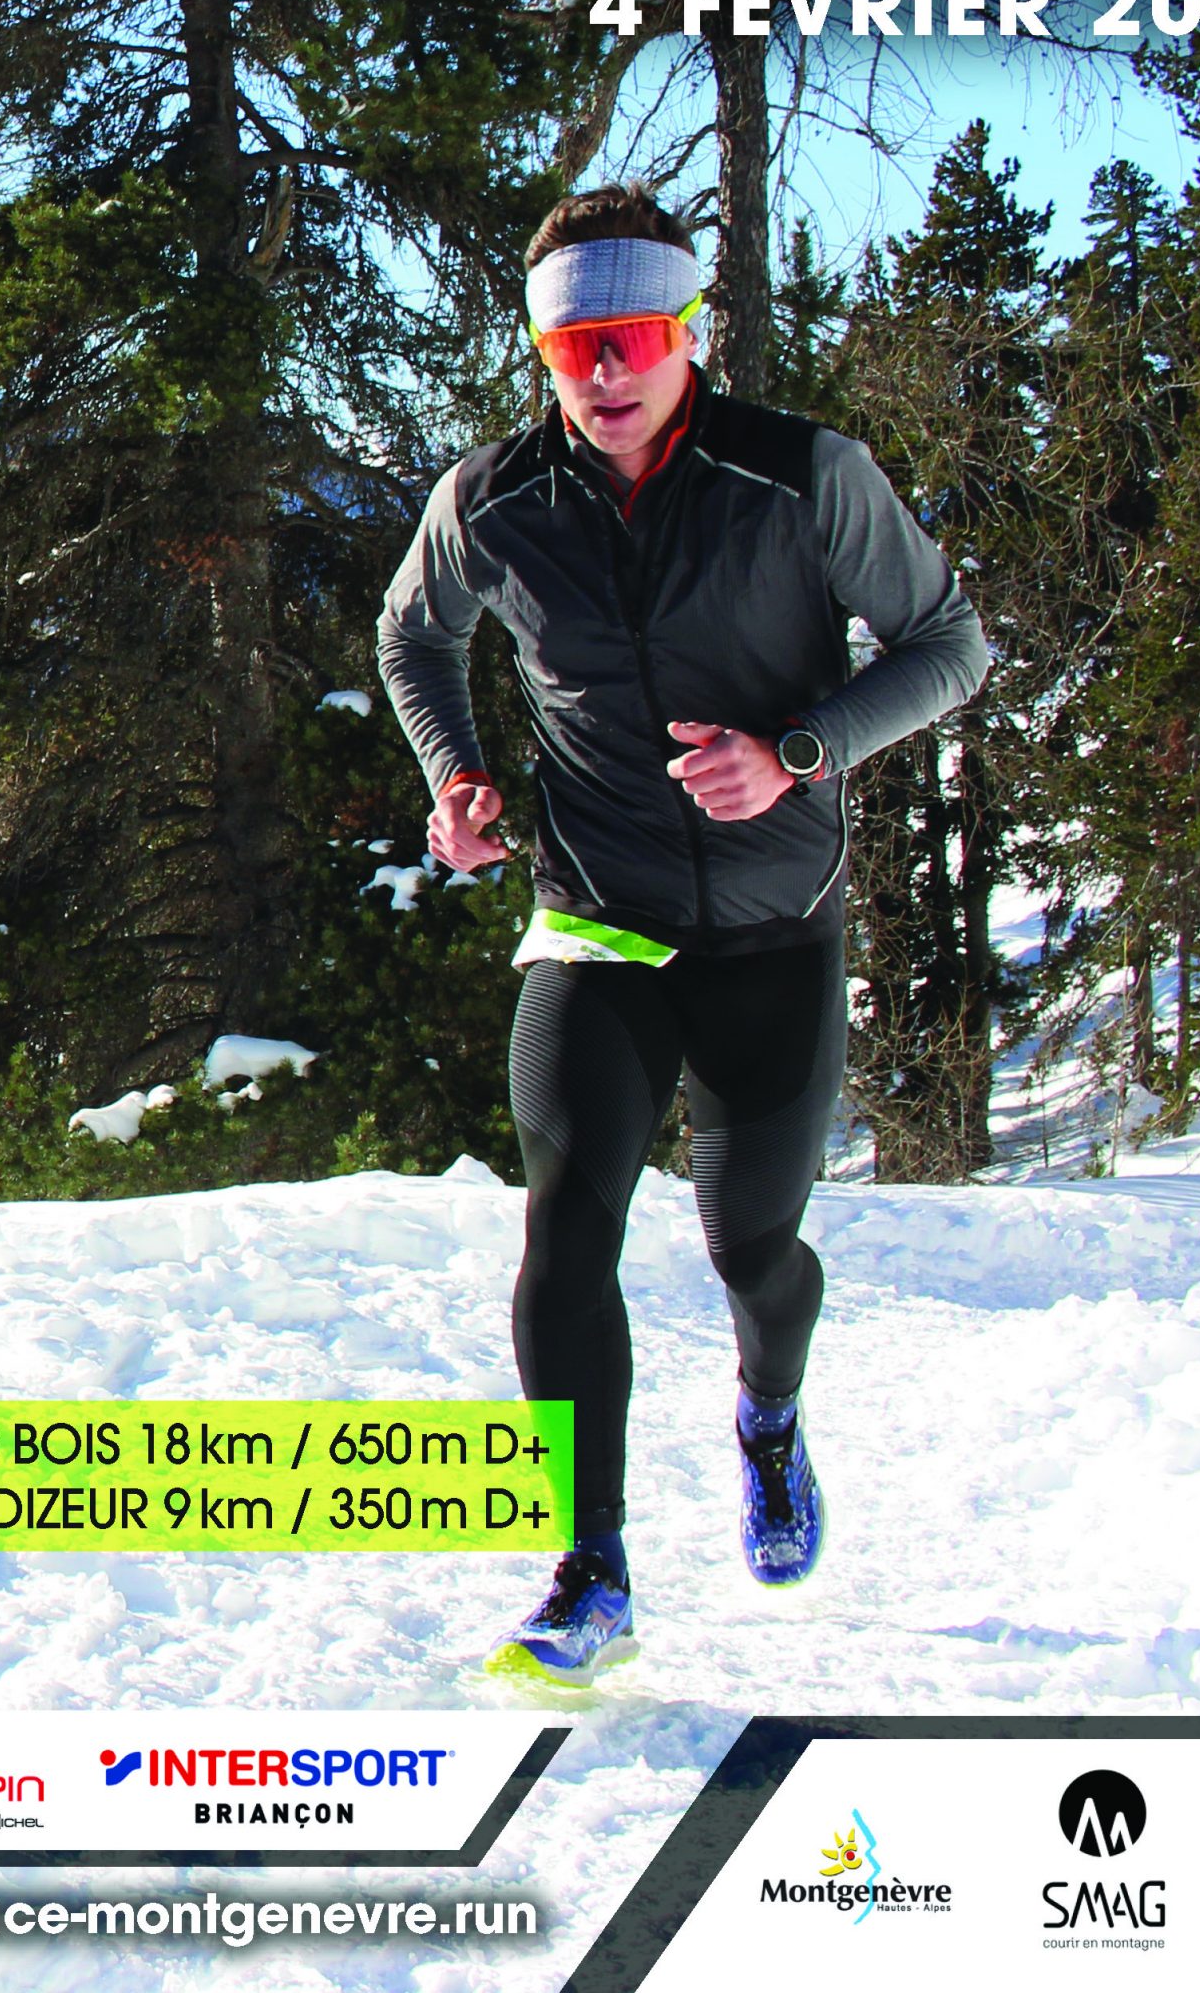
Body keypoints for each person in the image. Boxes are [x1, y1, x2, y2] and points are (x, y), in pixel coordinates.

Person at [376, 185, 988, 1683]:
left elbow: (948, 646)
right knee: (563, 1233)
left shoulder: (805, 477)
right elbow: (413, 634)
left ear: (688, 333)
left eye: (635, 338)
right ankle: (589, 1570)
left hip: (774, 927)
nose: (606, 373)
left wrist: (799, 752)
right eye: (573, 345)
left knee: (751, 1248)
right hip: (599, 919)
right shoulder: (492, 500)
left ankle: (769, 1415)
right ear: (541, 351)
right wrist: (456, 776)